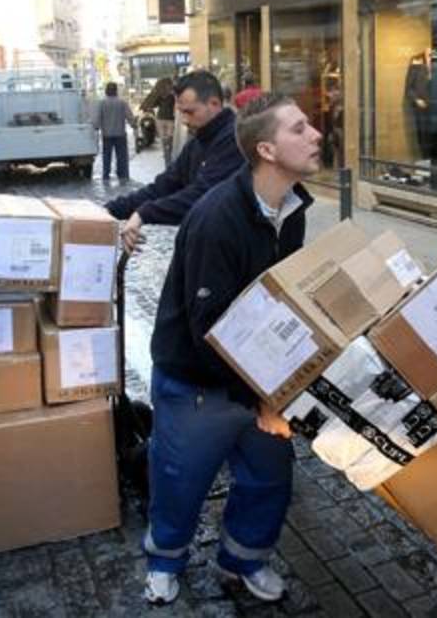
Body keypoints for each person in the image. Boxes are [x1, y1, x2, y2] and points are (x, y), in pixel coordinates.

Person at [142, 93, 323, 605]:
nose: (315, 135)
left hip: (258, 378)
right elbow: (211, 329)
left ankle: (242, 561)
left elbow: (280, 298)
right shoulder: (216, 218)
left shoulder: (293, 207)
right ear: (266, 149)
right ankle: (164, 561)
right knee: (181, 482)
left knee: (268, 481)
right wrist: (265, 399)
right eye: (300, 129)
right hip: (197, 380)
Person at [106, 70, 244, 253]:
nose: (185, 120)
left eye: (190, 112)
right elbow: (162, 186)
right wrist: (108, 211)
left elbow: (202, 196)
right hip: (201, 245)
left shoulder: (234, 139)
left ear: (214, 103)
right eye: (181, 113)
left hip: (230, 250)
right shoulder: (197, 142)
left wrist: (144, 213)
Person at [93, 81, 136, 181]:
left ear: (106, 91)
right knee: (122, 157)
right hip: (120, 134)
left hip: (107, 135)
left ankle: (106, 175)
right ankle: (123, 175)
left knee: (106, 156)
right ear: (116, 91)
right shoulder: (122, 103)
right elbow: (130, 116)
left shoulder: (102, 103)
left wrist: (96, 127)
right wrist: (134, 125)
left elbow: (97, 119)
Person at [140, 76, 177, 166]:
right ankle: (168, 157)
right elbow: (152, 103)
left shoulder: (165, 94)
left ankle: (167, 157)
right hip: (168, 119)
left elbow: (150, 104)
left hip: (163, 119)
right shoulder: (167, 94)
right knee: (168, 139)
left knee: (166, 140)